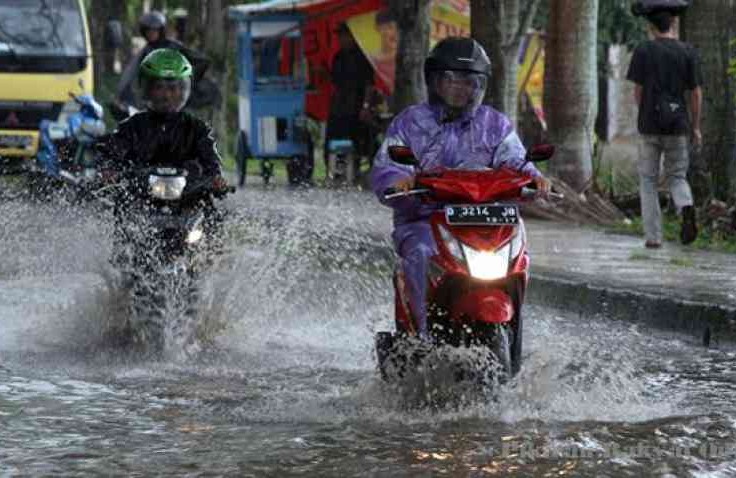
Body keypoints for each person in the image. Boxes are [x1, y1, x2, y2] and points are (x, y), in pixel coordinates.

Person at [370, 37, 551, 338]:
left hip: (487, 218)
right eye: (451, 80)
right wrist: (397, 180)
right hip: (425, 219)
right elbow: (388, 163)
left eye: (468, 82)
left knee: (520, 255)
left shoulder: (496, 124)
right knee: (419, 252)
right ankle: (421, 337)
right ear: (435, 82)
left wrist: (536, 177)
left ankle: (515, 334)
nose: (459, 88)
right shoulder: (410, 123)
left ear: (479, 87)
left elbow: (517, 160)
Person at [101, 48, 227, 194]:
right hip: (139, 199)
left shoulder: (197, 129)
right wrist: (109, 171)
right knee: (115, 202)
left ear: (184, 90)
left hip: (188, 200)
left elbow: (210, 158)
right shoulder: (132, 127)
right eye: (159, 88)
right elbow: (110, 152)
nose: (166, 95)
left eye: (173, 88)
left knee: (214, 211)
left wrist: (216, 178)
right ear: (147, 89)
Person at [626, 8, 702, 248]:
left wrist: (646, 110)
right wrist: (695, 126)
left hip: (649, 125)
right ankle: (685, 205)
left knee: (648, 180)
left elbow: (637, 92)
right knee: (677, 175)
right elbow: (696, 93)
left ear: (651, 26)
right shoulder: (687, 51)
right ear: (673, 24)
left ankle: (653, 237)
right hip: (678, 125)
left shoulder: (643, 50)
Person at [115, 11, 211, 112]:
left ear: (160, 31)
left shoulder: (173, 47)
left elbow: (201, 62)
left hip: (177, 97)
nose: (151, 34)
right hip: (156, 98)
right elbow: (130, 72)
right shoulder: (146, 51)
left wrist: (188, 81)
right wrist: (121, 93)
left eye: (154, 31)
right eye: (148, 31)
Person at [324, 22, 375, 179]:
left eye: (344, 36)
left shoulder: (363, 58)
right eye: (340, 36)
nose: (341, 39)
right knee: (333, 137)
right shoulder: (338, 57)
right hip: (339, 105)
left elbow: (369, 85)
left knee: (355, 139)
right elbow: (334, 81)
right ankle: (336, 171)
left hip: (356, 105)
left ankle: (354, 170)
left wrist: (365, 106)